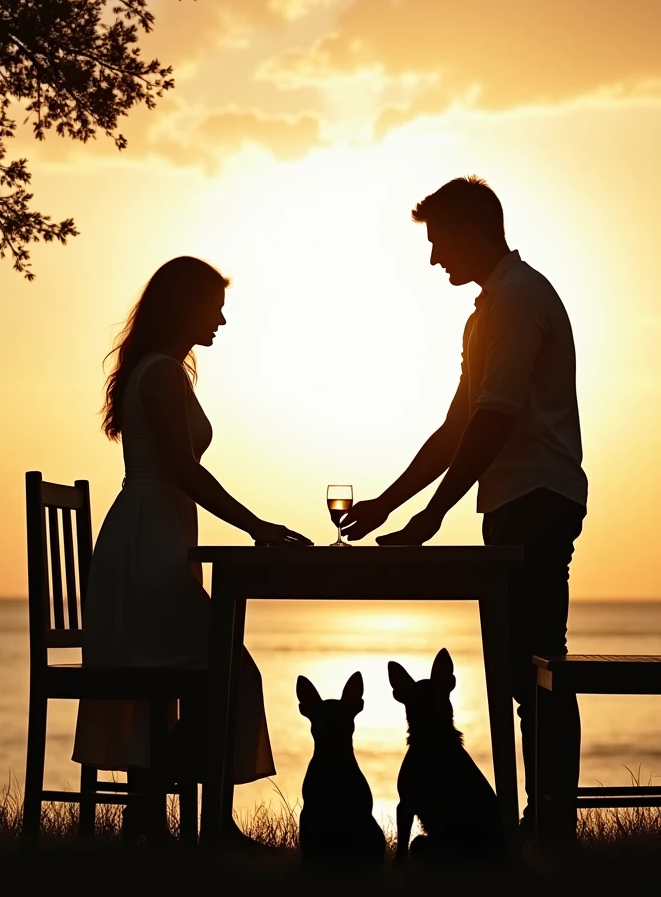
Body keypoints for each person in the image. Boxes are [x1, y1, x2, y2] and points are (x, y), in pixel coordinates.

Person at [342, 176, 587, 844]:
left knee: (538, 664)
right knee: (520, 670)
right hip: (510, 500)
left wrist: (431, 518)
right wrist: (386, 507)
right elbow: (457, 426)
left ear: (472, 231)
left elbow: (495, 421)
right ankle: (540, 821)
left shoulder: (516, 300)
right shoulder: (484, 313)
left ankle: (551, 823)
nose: (432, 259)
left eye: (438, 241)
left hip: (538, 496)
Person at [72, 256, 311, 842]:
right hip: (148, 551)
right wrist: (256, 524)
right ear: (185, 306)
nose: (222, 319)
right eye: (215, 306)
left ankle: (160, 808)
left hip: (155, 542)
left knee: (224, 674)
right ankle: (185, 814)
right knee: (232, 674)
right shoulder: (161, 375)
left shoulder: (162, 371)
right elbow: (183, 469)